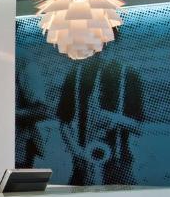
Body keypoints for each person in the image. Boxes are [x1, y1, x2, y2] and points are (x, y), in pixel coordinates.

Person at [56, 56, 144, 185]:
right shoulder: (75, 74)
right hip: (82, 161)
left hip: (119, 163)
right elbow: (64, 122)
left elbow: (139, 128)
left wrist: (115, 119)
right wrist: (78, 153)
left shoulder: (129, 75)